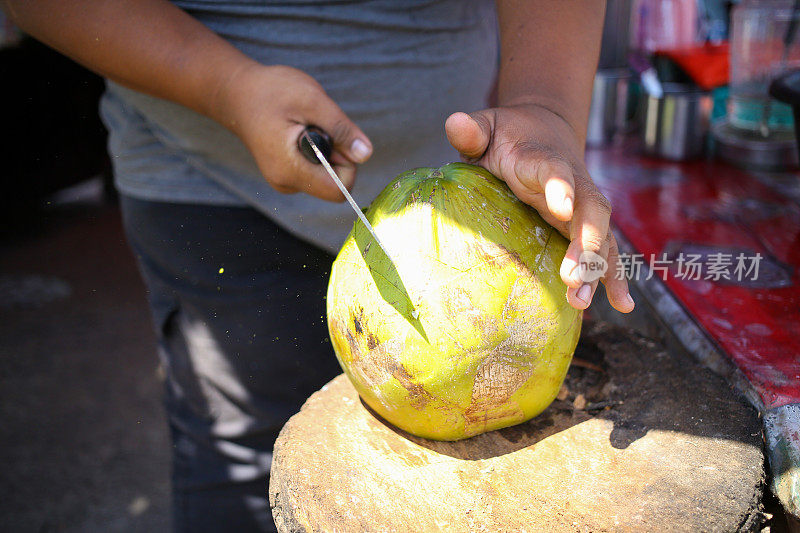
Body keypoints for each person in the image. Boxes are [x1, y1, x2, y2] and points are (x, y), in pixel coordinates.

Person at [3, 1, 634, 530]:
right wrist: (224, 87)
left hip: (484, 182)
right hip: (213, 184)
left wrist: (546, 105)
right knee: (242, 469)